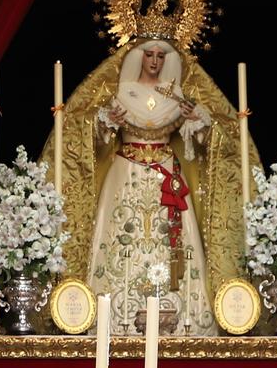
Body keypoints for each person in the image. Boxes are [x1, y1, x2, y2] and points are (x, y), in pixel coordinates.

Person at [41, 34, 252, 335]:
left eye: (160, 56)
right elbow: (95, 138)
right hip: (126, 173)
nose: (154, 61)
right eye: (149, 54)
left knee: (173, 242)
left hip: (167, 174)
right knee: (119, 236)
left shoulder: (176, 96)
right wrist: (105, 122)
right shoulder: (122, 94)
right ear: (138, 56)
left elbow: (208, 142)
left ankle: (185, 320)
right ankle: (113, 318)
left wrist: (199, 121)